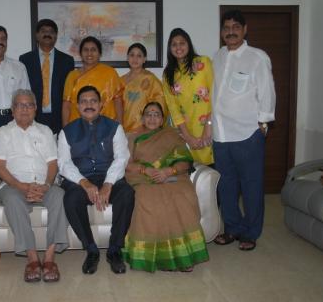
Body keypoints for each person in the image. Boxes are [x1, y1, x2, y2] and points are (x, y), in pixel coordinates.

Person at [0, 89, 68, 282]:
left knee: (60, 196)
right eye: (20, 105)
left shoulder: (45, 131)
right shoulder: (3, 133)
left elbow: (52, 163)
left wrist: (47, 185)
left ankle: (49, 258)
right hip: (13, 185)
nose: (25, 109)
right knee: (13, 200)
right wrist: (21, 186)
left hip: (43, 184)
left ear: (36, 109)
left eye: (29, 105)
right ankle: (32, 259)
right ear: (12, 109)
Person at [212, 10, 276, 251]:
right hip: (220, 134)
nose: (231, 31)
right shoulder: (216, 57)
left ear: (245, 29)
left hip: (248, 133)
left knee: (251, 185)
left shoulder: (257, 57)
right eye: (226, 27)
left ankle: (251, 232)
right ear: (221, 32)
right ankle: (232, 228)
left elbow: (267, 91)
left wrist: (264, 122)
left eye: (235, 26)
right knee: (226, 185)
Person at [123, 102, 209, 272]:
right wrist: (145, 169)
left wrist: (169, 171)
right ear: (142, 118)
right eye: (148, 114)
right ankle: (158, 257)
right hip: (143, 177)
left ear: (162, 119)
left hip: (172, 175)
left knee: (181, 196)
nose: (152, 118)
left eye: (156, 114)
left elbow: (185, 160)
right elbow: (126, 164)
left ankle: (183, 255)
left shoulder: (172, 135)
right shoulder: (132, 137)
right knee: (147, 199)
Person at [58, 85, 134, 275]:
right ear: (77, 106)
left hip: (108, 175)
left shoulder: (115, 127)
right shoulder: (66, 131)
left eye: (93, 101)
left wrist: (108, 183)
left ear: (101, 104)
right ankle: (91, 250)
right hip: (80, 179)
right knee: (71, 199)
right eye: (84, 101)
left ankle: (114, 250)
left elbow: (121, 157)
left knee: (126, 193)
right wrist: (84, 183)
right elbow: (64, 164)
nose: (89, 105)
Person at [162, 28, 214, 165]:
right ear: (170, 48)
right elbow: (173, 108)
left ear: (188, 44)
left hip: (211, 128)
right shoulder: (168, 74)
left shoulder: (203, 63)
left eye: (182, 43)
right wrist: (188, 136)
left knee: (217, 176)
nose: (178, 47)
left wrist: (208, 127)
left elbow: (216, 95)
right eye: (174, 44)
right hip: (188, 132)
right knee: (195, 178)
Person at [20, 19, 75, 134]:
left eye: (51, 32)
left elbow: (69, 91)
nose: (47, 34)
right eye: (43, 31)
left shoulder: (67, 61)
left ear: (56, 36)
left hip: (59, 118)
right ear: (37, 35)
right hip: (33, 116)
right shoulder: (25, 60)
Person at [62, 36, 124, 126]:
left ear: (99, 53)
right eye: (86, 50)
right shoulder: (72, 76)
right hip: (78, 127)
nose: (89, 53)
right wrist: (66, 128)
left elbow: (118, 101)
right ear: (80, 53)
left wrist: (120, 125)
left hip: (107, 126)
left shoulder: (110, 73)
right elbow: (66, 105)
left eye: (93, 50)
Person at [121, 43, 166, 133]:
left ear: (144, 59)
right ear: (127, 57)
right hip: (123, 128)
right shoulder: (120, 81)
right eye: (132, 55)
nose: (135, 59)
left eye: (139, 56)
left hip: (144, 128)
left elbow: (160, 103)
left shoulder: (150, 79)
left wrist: (149, 123)